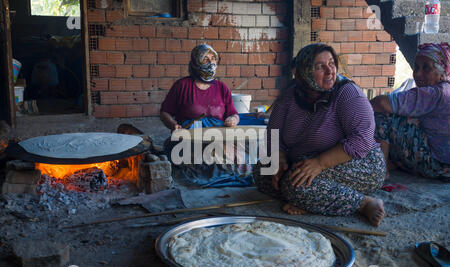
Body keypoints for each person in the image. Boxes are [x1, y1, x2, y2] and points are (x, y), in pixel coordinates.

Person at [253, 43, 386, 227]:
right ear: (304, 71)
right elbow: (273, 135)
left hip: (359, 162)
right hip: (306, 159)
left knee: (295, 184)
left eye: (331, 63)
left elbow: (361, 141)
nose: (329, 71)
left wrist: (320, 163)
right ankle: (313, 198)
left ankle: (363, 203)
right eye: (319, 67)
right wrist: (280, 160)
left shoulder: (347, 93)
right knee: (262, 171)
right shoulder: (290, 95)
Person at [371, 42, 449, 180]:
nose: (418, 74)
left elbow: (381, 103)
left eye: (426, 68)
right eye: (416, 67)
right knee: (409, 118)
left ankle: (378, 170)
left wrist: (354, 109)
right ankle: (390, 163)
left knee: (381, 114)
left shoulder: (434, 93)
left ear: (442, 73)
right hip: (445, 166)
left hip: (436, 164)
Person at [160, 44, 239, 131]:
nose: (211, 63)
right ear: (196, 62)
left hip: (218, 136)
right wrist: (173, 124)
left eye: (213, 58)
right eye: (205, 59)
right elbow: (165, 113)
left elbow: (233, 113)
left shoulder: (222, 87)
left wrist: (233, 119)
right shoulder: (182, 86)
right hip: (189, 137)